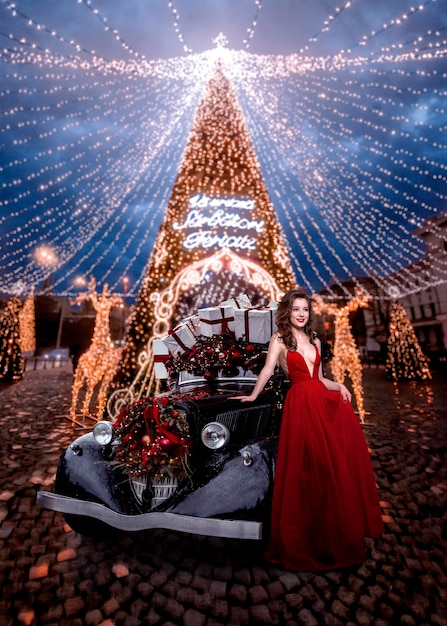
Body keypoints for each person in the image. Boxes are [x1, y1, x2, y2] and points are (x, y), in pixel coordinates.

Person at [234, 289, 384, 571]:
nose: (301, 314)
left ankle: (331, 533)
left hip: (323, 404)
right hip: (300, 406)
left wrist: (339, 386)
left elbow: (321, 378)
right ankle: (304, 538)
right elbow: (267, 371)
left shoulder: (314, 339)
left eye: (305, 309)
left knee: (329, 466)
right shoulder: (279, 339)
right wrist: (253, 396)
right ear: (287, 312)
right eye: (296, 309)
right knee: (305, 470)